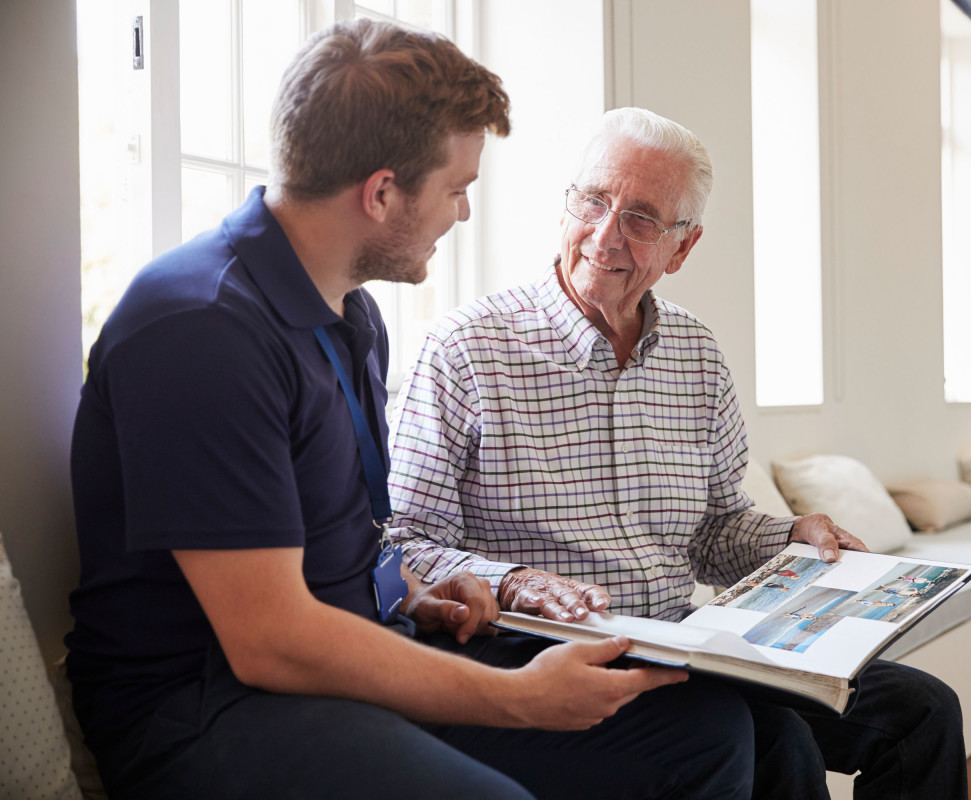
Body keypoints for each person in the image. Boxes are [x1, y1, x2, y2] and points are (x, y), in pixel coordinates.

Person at [65, 24, 761, 800]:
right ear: (383, 192)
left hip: (345, 655)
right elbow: (269, 642)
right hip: (204, 705)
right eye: (458, 188)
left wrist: (410, 593)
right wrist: (521, 699)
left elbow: (352, 537)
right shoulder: (199, 326)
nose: (464, 214)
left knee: (702, 736)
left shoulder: (351, 318)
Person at [387, 106, 969, 799]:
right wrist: (515, 580)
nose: (606, 235)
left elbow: (716, 532)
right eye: (593, 201)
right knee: (777, 741)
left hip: (690, 641)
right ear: (566, 203)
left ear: (681, 249)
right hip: (541, 651)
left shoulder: (696, 356)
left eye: (640, 218)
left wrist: (794, 535)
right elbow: (405, 543)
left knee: (924, 713)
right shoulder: (464, 349)